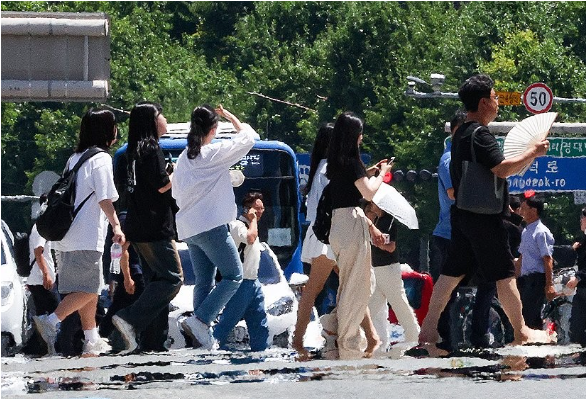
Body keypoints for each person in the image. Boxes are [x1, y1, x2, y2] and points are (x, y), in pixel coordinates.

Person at [419, 74, 552, 347]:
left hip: (463, 214)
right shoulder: (481, 135)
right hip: (485, 217)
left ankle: (428, 330)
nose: (497, 102)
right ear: (482, 103)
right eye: (494, 97)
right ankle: (522, 331)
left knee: (450, 273)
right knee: (504, 274)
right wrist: (533, 153)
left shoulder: (459, 136)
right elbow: (502, 169)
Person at [34, 108, 124, 357]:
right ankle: (51, 321)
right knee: (91, 288)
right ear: (107, 130)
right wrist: (116, 226)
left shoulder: (75, 158)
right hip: (86, 236)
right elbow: (106, 198)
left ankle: (92, 340)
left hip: (65, 237)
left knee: (83, 291)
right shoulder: (101, 159)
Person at [173, 105, 259, 350]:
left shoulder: (183, 158)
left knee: (204, 280)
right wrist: (232, 117)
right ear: (213, 130)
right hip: (211, 226)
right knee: (233, 275)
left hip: (189, 228)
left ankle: (200, 334)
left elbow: (177, 193)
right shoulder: (213, 153)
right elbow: (249, 138)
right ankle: (201, 321)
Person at [112, 102, 183, 354]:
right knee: (173, 279)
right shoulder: (152, 149)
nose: (164, 119)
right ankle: (129, 319)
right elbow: (162, 185)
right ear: (152, 121)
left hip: (137, 224)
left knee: (156, 281)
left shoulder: (132, 151)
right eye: (160, 114)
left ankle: (152, 340)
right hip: (155, 225)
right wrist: (176, 173)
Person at [325, 111, 392, 360]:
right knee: (357, 286)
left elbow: (355, 182)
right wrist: (382, 174)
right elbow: (369, 193)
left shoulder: (336, 162)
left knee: (352, 284)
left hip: (338, 224)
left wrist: (370, 171)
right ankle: (349, 343)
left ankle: (333, 325)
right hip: (352, 222)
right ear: (354, 135)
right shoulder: (351, 162)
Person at [292, 123, 337, 360]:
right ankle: (301, 337)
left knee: (333, 286)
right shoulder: (328, 168)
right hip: (326, 234)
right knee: (318, 290)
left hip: (318, 233)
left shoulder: (320, 167)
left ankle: (313, 334)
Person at [213, 191, 270, 351]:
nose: (260, 213)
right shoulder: (237, 226)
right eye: (256, 209)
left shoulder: (253, 226)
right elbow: (249, 238)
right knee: (228, 321)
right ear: (247, 209)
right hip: (241, 283)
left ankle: (260, 355)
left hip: (253, 282)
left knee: (259, 322)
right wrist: (252, 220)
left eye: (262, 209)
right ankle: (209, 350)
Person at [365, 201, 420, 353]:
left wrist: (379, 244)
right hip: (376, 268)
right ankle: (362, 335)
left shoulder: (389, 221)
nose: (370, 205)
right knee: (372, 305)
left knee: (398, 301)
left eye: (373, 203)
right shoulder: (374, 220)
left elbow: (391, 246)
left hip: (388, 268)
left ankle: (413, 334)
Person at [24, 196, 60, 356]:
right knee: (57, 312)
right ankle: (53, 345)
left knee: (42, 313)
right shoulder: (41, 228)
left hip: (37, 279)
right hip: (41, 279)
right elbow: (38, 251)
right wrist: (46, 274)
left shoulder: (39, 227)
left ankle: (38, 347)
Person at [515, 191, 557, 330]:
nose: (521, 210)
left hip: (536, 280)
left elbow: (547, 259)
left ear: (534, 210)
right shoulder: (526, 231)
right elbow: (522, 257)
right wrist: (514, 278)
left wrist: (549, 284)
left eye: (524, 207)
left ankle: (537, 346)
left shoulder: (541, 232)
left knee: (531, 316)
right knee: (524, 315)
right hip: (525, 280)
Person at [567, 207, 586, 346]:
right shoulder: (582, 241)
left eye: (583, 217)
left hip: (582, 284)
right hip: (582, 289)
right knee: (576, 327)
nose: (581, 220)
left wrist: (578, 277)